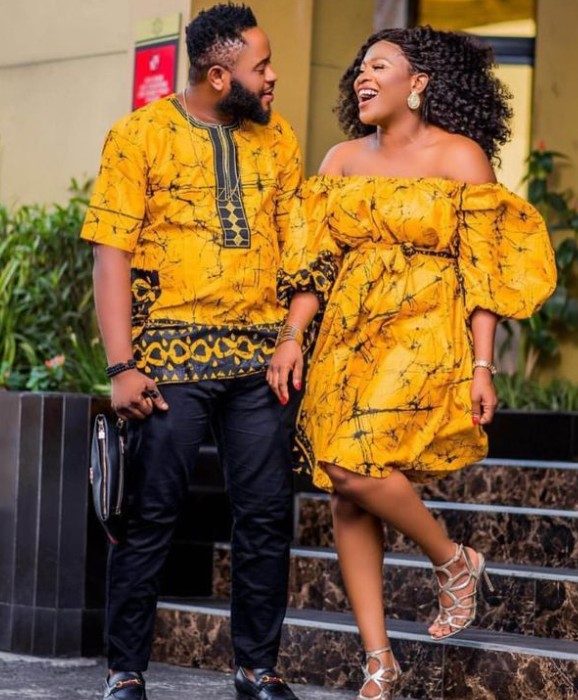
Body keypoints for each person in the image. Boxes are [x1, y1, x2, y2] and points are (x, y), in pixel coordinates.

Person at [267, 26, 556, 700]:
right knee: (345, 489)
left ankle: (452, 560)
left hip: (422, 335)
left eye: (380, 66)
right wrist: (291, 336)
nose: (363, 77)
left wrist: (483, 366)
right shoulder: (340, 159)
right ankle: (379, 659)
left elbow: (483, 273)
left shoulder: (460, 157)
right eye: (360, 68)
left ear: (418, 83)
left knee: (351, 463)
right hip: (346, 336)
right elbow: (314, 265)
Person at [81, 4, 302, 699]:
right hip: (169, 362)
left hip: (261, 362)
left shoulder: (278, 138)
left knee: (266, 515)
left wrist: (293, 338)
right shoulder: (139, 135)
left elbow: (299, 249)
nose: (272, 77)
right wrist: (122, 366)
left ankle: (257, 668)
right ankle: (125, 672)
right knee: (150, 515)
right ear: (219, 76)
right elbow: (110, 255)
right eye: (261, 67)